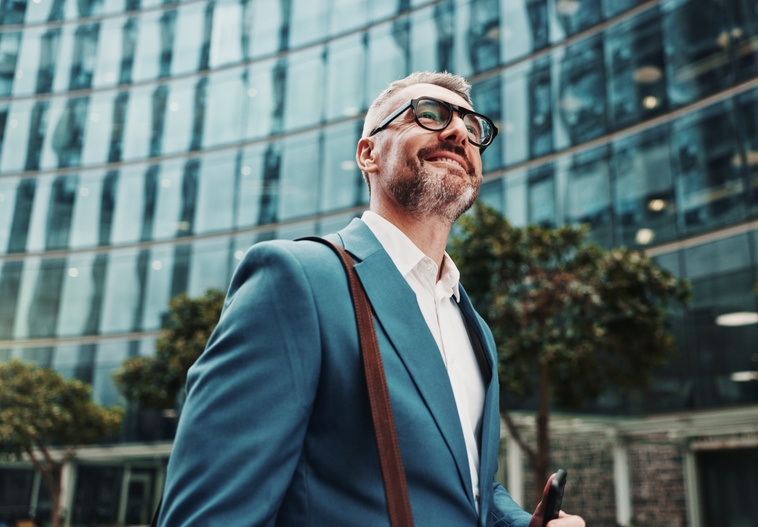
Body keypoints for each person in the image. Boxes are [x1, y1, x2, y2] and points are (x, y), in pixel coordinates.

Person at [157, 71, 586, 527]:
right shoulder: (297, 278)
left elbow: (466, 485)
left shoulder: (472, 324)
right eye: (431, 114)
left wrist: (521, 523)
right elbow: (208, 514)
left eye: (471, 125)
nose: (459, 132)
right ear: (368, 154)